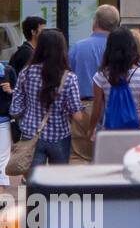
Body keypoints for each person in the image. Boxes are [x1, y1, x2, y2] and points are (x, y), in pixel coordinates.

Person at [9, 29, 84, 170]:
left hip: (31, 134)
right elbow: (76, 114)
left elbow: (15, 108)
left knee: (35, 183)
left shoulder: (26, 73)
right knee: (59, 182)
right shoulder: (69, 77)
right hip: (60, 135)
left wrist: (25, 120)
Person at [68, 3, 119, 162]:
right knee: (110, 158)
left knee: (80, 157)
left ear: (95, 22)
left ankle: (84, 188)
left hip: (83, 108)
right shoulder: (120, 48)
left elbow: (67, 78)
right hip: (114, 108)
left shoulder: (78, 47)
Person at [90, 28, 140, 134]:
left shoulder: (100, 76)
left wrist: (91, 129)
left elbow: (97, 111)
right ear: (132, 47)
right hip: (136, 132)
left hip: (110, 133)